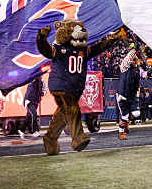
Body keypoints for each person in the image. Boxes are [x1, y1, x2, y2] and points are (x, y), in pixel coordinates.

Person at [36, 21, 124, 155]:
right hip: (61, 86)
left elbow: (97, 48)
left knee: (62, 115)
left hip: (74, 88)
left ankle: (50, 139)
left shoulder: (83, 49)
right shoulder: (58, 48)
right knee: (73, 109)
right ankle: (77, 138)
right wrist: (41, 37)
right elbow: (45, 50)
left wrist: (110, 40)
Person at [116, 44, 141, 139]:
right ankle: (121, 132)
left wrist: (149, 72)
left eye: (136, 60)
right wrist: (134, 50)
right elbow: (127, 59)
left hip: (132, 96)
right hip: (122, 95)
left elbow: (137, 83)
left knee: (136, 114)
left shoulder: (137, 71)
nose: (135, 61)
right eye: (134, 60)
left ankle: (126, 122)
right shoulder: (124, 67)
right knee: (125, 116)